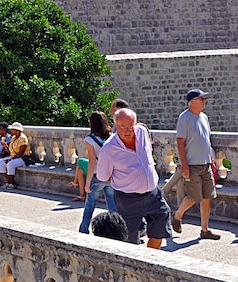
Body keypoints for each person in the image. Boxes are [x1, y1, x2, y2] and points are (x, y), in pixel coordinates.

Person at [97, 108, 171, 248]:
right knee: (127, 238)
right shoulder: (108, 149)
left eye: (131, 126)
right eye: (122, 127)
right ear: (115, 126)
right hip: (127, 199)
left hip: (153, 193)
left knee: (161, 224)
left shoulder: (142, 132)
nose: (128, 130)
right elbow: (103, 176)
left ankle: (149, 259)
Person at [171, 89, 221, 240]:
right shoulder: (184, 118)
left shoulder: (204, 117)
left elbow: (205, 140)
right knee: (194, 197)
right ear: (191, 102)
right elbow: (180, 142)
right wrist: (184, 165)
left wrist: (211, 159)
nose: (204, 101)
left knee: (207, 196)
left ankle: (204, 229)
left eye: (204, 99)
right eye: (201, 99)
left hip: (206, 163)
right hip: (192, 164)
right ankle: (178, 215)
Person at [78, 111, 117, 233]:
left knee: (90, 205)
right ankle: (116, 230)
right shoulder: (112, 137)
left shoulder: (90, 140)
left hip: (97, 176)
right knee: (112, 206)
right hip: (110, 175)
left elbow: (92, 161)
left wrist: (87, 181)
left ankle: (83, 229)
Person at [0, 122, 30, 188]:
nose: (11, 131)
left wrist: (11, 159)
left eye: (13, 129)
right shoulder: (13, 137)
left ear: (18, 131)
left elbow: (21, 153)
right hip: (13, 157)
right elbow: (10, 151)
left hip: (22, 158)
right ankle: (8, 181)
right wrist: (5, 146)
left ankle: (12, 182)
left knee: (10, 164)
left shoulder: (23, 139)